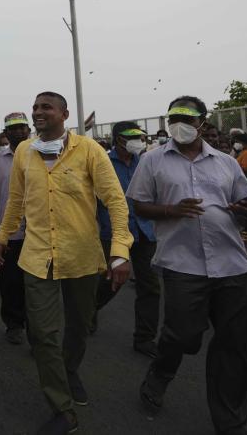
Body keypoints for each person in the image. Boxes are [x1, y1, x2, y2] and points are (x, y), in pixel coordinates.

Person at [0, 93, 132, 435]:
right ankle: (62, 408)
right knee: (42, 334)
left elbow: (115, 201)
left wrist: (120, 250)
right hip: (37, 258)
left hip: (81, 255)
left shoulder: (89, 151)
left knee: (79, 327)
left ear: (64, 114)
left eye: (45, 108)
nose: (38, 113)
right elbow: (16, 202)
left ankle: (68, 371)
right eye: (35, 107)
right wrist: (1, 237)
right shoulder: (25, 152)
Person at [127, 96, 247, 435]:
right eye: (173, 118)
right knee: (182, 334)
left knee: (234, 346)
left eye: (187, 117)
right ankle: (161, 373)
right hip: (182, 264)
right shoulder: (152, 161)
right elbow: (139, 205)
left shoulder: (226, 163)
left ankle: (230, 420)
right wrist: (172, 210)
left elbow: (246, 205)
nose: (179, 124)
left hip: (231, 264)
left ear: (203, 122)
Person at [93, 122, 160, 358]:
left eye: (141, 137)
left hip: (144, 232)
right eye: (132, 137)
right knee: (111, 281)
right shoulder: (102, 162)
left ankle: (144, 338)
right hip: (113, 234)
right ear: (118, 139)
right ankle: (91, 309)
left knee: (150, 286)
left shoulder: (145, 162)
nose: (139, 141)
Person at [0, 113, 31, 337]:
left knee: (37, 283)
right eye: (14, 128)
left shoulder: (42, 154)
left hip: (38, 232)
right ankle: (13, 323)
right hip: (9, 232)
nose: (19, 131)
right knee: (10, 280)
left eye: (22, 127)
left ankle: (36, 328)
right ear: (6, 133)